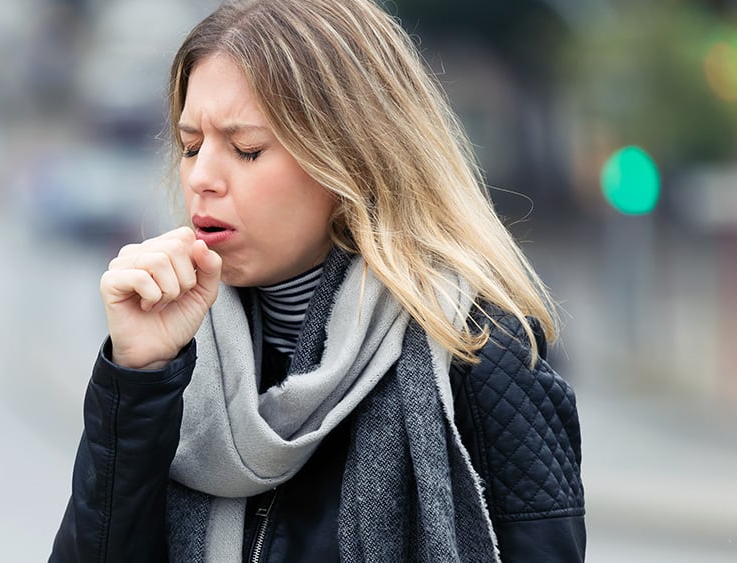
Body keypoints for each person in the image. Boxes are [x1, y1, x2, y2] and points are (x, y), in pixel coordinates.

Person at [48, 0, 585, 561]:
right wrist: (138, 377)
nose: (202, 177)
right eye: (191, 146)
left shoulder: (479, 354)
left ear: (350, 158)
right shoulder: (174, 353)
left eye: (247, 150)